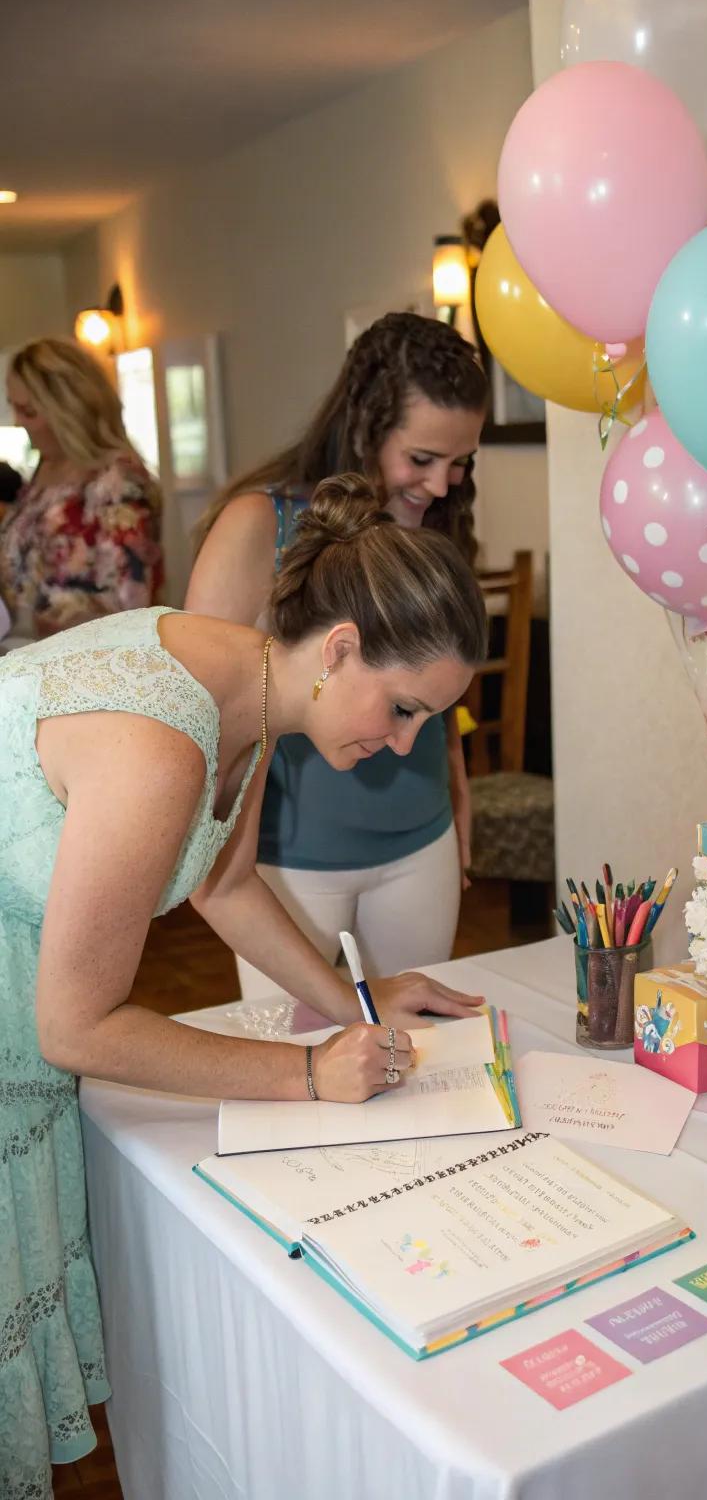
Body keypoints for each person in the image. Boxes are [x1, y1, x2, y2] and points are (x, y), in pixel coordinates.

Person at [0, 473, 487, 1498]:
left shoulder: (253, 692)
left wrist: (357, 1002)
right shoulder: (159, 743)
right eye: (402, 710)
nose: (405, 744)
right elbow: (75, 1026)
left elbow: (222, 879)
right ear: (342, 645)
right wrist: (306, 1073)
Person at [187, 312, 488, 1001]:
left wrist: (460, 800)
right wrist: (218, 866)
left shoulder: (438, 525)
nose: (442, 485)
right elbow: (207, 710)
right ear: (365, 427)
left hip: (420, 844)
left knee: (415, 1052)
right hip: (291, 861)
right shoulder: (258, 526)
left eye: (460, 462)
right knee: (297, 1052)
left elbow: (435, 687)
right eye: (421, 460)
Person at [0, 337, 163, 644]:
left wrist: (28, 623)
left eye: (29, 411)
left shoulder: (119, 484)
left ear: (68, 410)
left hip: (79, 670)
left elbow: (128, 608)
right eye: (14, 407)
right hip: (21, 657)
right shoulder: (44, 469)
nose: (18, 422)